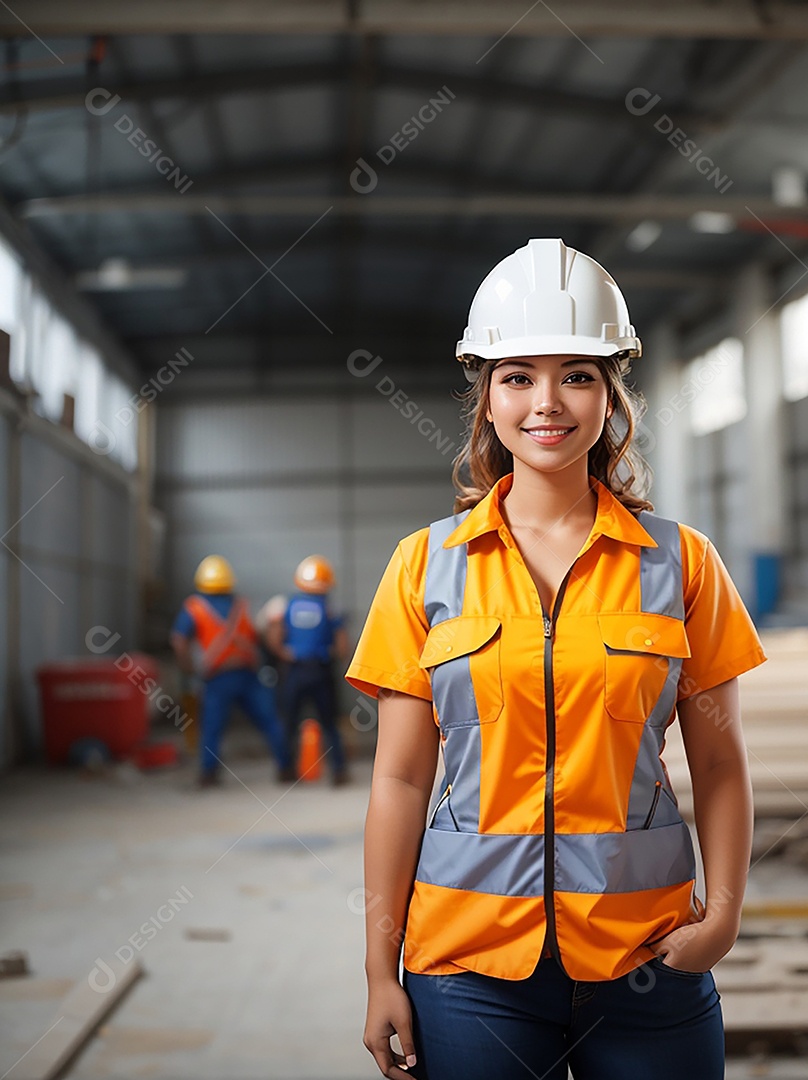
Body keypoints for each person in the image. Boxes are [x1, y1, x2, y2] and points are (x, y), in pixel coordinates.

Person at [346, 238, 768, 1080]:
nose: (548, 402)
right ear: (488, 399)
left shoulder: (680, 563)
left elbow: (720, 764)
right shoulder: (424, 567)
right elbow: (398, 781)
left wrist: (720, 919)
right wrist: (378, 969)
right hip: (467, 974)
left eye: (577, 373)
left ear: (611, 393)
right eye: (518, 377)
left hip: (646, 961)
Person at [170, 555, 292, 788]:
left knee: (212, 727)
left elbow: (178, 640)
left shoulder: (195, 607)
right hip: (247, 674)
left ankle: (209, 774)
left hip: (218, 678)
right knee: (270, 720)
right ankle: (286, 767)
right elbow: (258, 635)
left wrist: (189, 668)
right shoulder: (241, 605)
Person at [266, 555, 351, 786]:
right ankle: (339, 771)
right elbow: (342, 645)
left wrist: (286, 653)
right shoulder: (331, 609)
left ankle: (285, 770)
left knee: (288, 722)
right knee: (330, 723)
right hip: (321, 671)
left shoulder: (285, 605)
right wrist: (330, 656)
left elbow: (274, 637)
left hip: (294, 671)